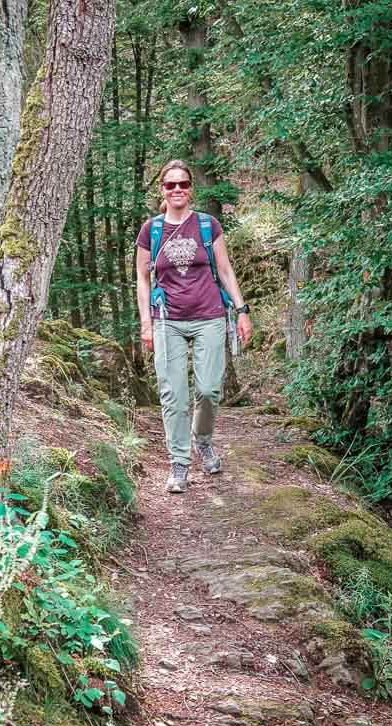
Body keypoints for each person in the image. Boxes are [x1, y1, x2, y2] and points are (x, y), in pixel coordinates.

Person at [135, 160, 252, 492]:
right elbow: (142, 280)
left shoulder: (207, 225)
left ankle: (203, 440)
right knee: (173, 395)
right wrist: (146, 323)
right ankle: (179, 463)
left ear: (190, 188)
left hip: (210, 315)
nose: (177, 190)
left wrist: (242, 310)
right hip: (167, 320)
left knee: (209, 389)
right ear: (162, 189)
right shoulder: (151, 230)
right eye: (170, 185)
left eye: (182, 184)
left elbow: (225, 271)